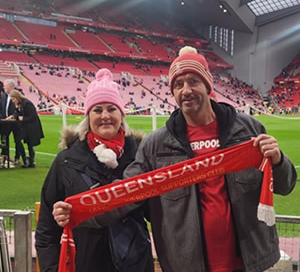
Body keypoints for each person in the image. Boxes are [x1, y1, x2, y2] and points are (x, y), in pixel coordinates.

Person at [52, 48, 297, 272]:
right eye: (178, 84)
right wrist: (80, 211)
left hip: (249, 262)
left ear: (208, 85)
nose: (186, 90)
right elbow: (124, 194)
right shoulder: (156, 145)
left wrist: (277, 160)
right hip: (186, 266)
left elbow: (286, 185)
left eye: (193, 81)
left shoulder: (247, 129)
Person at [35, 69, 154, 272]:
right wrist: (52, 268)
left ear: (121, 114)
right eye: (97, 110)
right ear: (88, 116)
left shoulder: (140, 158)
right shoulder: (66, 161)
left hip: (134, 263)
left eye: (111, 109)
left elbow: (156, 214)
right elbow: (47, 230)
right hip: (84, 264)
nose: (105, 116)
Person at [8, 89, 44, 167]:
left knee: (28, 143)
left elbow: (33, 116)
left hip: (31, 126)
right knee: (21, 141)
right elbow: (17, 113)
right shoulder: (20, 104)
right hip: (26, 126)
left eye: (13, 99)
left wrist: (23, 119)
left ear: (17, 97)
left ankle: (30, 161)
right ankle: (27, 160)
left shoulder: (27, 104)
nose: (13, 101)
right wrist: (14, 116)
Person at [0, 79, 20, 164]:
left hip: (15, 122)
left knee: (17, 140)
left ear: (11, 86)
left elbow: (20, 109)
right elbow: (1, 108)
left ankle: (17, 157)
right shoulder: (3, 96)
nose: (4, 87)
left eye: (6, 85)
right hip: (5, 122)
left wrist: (14, 116)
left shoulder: (18, 95)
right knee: (4, 138)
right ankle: (5, 156)